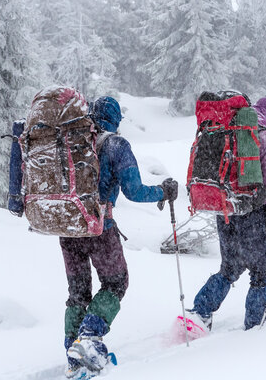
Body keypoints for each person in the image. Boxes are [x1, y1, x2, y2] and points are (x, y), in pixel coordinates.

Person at [62, 96, 178, 378]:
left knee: (78, 292)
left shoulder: (70, 139)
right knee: (116, 282)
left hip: (66, 226)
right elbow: (134, 191)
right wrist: (163, 191)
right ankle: (89, 338)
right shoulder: (116, 144)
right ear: (115, 119)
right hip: (99, 225)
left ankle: (73, 351)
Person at [187, 96, 266, 331]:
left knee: (229, 268)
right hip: (253, 212)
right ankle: (254, 326)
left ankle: (201, 311)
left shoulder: (230, 128)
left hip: (227, 208)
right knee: (259, 272)